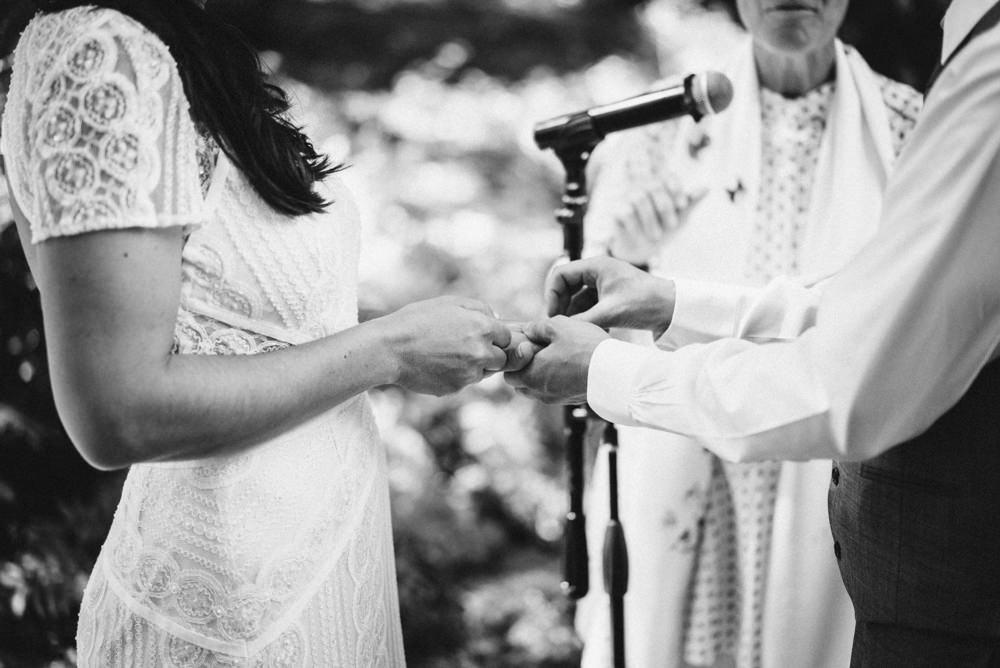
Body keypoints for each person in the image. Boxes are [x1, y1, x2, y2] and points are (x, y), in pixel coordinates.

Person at [0, 1, 530, 664]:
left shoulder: (180, 45)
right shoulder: (96, 54)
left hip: (320, 582)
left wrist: (416, 339)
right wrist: (389, 350)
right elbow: (120, 411)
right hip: (224, 620)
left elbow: (242, 324)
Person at [508, 0, 1000, 664]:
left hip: (819, 449)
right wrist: (659, 290)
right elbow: (853, 305)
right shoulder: (663, 122)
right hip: (698, 440)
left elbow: (861, 366)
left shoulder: (935, 105)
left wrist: (606, 373)